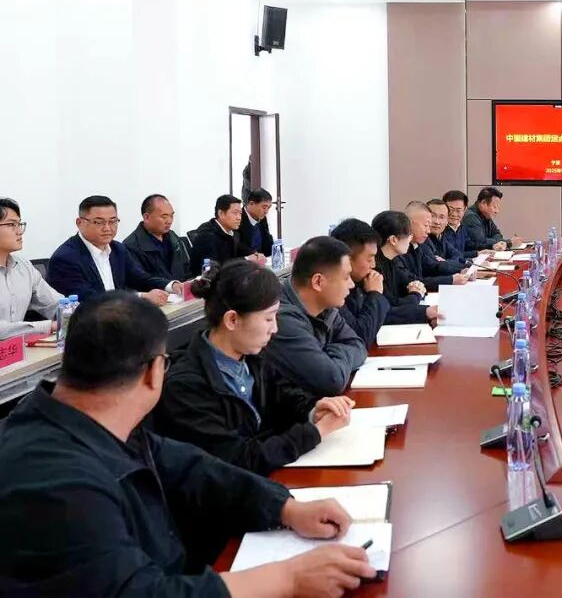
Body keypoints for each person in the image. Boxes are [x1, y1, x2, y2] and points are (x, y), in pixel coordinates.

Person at [0, 291, 376, 596]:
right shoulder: (55, 481)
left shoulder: (88, 418)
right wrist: (286, 578)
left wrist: (285, 508)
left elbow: (191, 468)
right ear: (154, 372)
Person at [154, 260, 355, 476]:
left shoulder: (252, 357)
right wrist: (315, 433)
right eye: (268, 318)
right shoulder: (185, 387)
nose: (274, 328)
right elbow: (237, 460)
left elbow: (285, 397)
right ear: (232, 319)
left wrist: (313, 410)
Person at [261, 236, 365, 399]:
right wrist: (335, 353)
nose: (352, 284)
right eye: (346, 277)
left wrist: (329, 354)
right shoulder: (281, 319)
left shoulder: (326, 307)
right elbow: (331, 381)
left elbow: (358, 344)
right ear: (318, 282)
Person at [48, 195, 180, 305]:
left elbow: (141, 278)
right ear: (79, 223)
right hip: (90, 322)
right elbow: (89, 299)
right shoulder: (65, 258)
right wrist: (141, 296)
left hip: (120, 315)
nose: (107, 228)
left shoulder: (118, 249)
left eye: (112, 221)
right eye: (99, 222)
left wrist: (171, 285)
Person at [0, 198, 63, 339]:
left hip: (18, 349)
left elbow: (54, 304)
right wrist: (49, 326)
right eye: (11, 224)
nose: (19, 231)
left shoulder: (24, 266)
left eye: (19, 224)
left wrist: (82, 315)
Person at [330, 219, 391, 348]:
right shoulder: (332, 290)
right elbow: (359, 337)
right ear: (346, 258)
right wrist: (374, 294)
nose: (373, 265)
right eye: (369, 259)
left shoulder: (360, 281)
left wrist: (424, 312)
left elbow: (385, 312)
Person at [372, 210, 438, 325]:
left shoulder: (393, 260)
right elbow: (390, 306)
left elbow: (409, 282)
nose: (411, 238)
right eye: (409, 234)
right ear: (393, 240)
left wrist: (416, 287)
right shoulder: (375, 268)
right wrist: (416, 295)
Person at [122, 194, 192, 283]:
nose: (169, 221)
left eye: (171, 215)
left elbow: (186, 269)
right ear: (146, 217)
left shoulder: (172, 236)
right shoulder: (131, 246)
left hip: (181, 288)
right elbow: (140, 281)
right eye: (164, 216)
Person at [401, 201, 469, 292]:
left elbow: (433, 266)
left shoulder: (417, 245)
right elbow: (411, 281)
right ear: (409, 223)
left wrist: (461, 270)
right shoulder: (401, 250)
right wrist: (451, 279)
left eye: (442, 217)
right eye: (426, 225)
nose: (428, 231)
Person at [189, 195, 257, 275]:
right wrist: (246, 259)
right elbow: (214, 267)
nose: (239, 218)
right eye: (235, 213)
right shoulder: (207, 235)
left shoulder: (232, 232)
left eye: (240, 213)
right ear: (221, 213)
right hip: (207, 280)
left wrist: (255, 254)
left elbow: (243, 250)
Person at [462, 187, 520, 253]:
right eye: (494, 207)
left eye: (498, 208)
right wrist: (507, 242)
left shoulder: (486, 216)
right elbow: (480, 242)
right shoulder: (470, 216)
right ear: (483, 203)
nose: (497, 211)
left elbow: (497, 233)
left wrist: (499, 242)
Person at [426, 198, 467, 270]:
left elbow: (458, 255)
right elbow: (437, 267)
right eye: (433, 216)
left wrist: (445, 262)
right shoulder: (423, 239)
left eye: (441, 217)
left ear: (447, 221)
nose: (437, 222)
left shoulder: (441, 235)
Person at [239, 188, 275, 258]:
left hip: (261, 260)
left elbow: (267, 243)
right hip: (244, 262)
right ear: (251, 203)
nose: (266, 211)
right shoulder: (238, 218)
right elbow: (238, 247)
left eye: (269, 208)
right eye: (264, 207)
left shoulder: (262, 218)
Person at [442, 189, 476, 260]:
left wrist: (490, 247)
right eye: (450, 209)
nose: (454, 214)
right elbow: (450, 255)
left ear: (465, 210)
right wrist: (476, 254)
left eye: (458, 210)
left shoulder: (462, 226)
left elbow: (468, 246)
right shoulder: (440, 230)